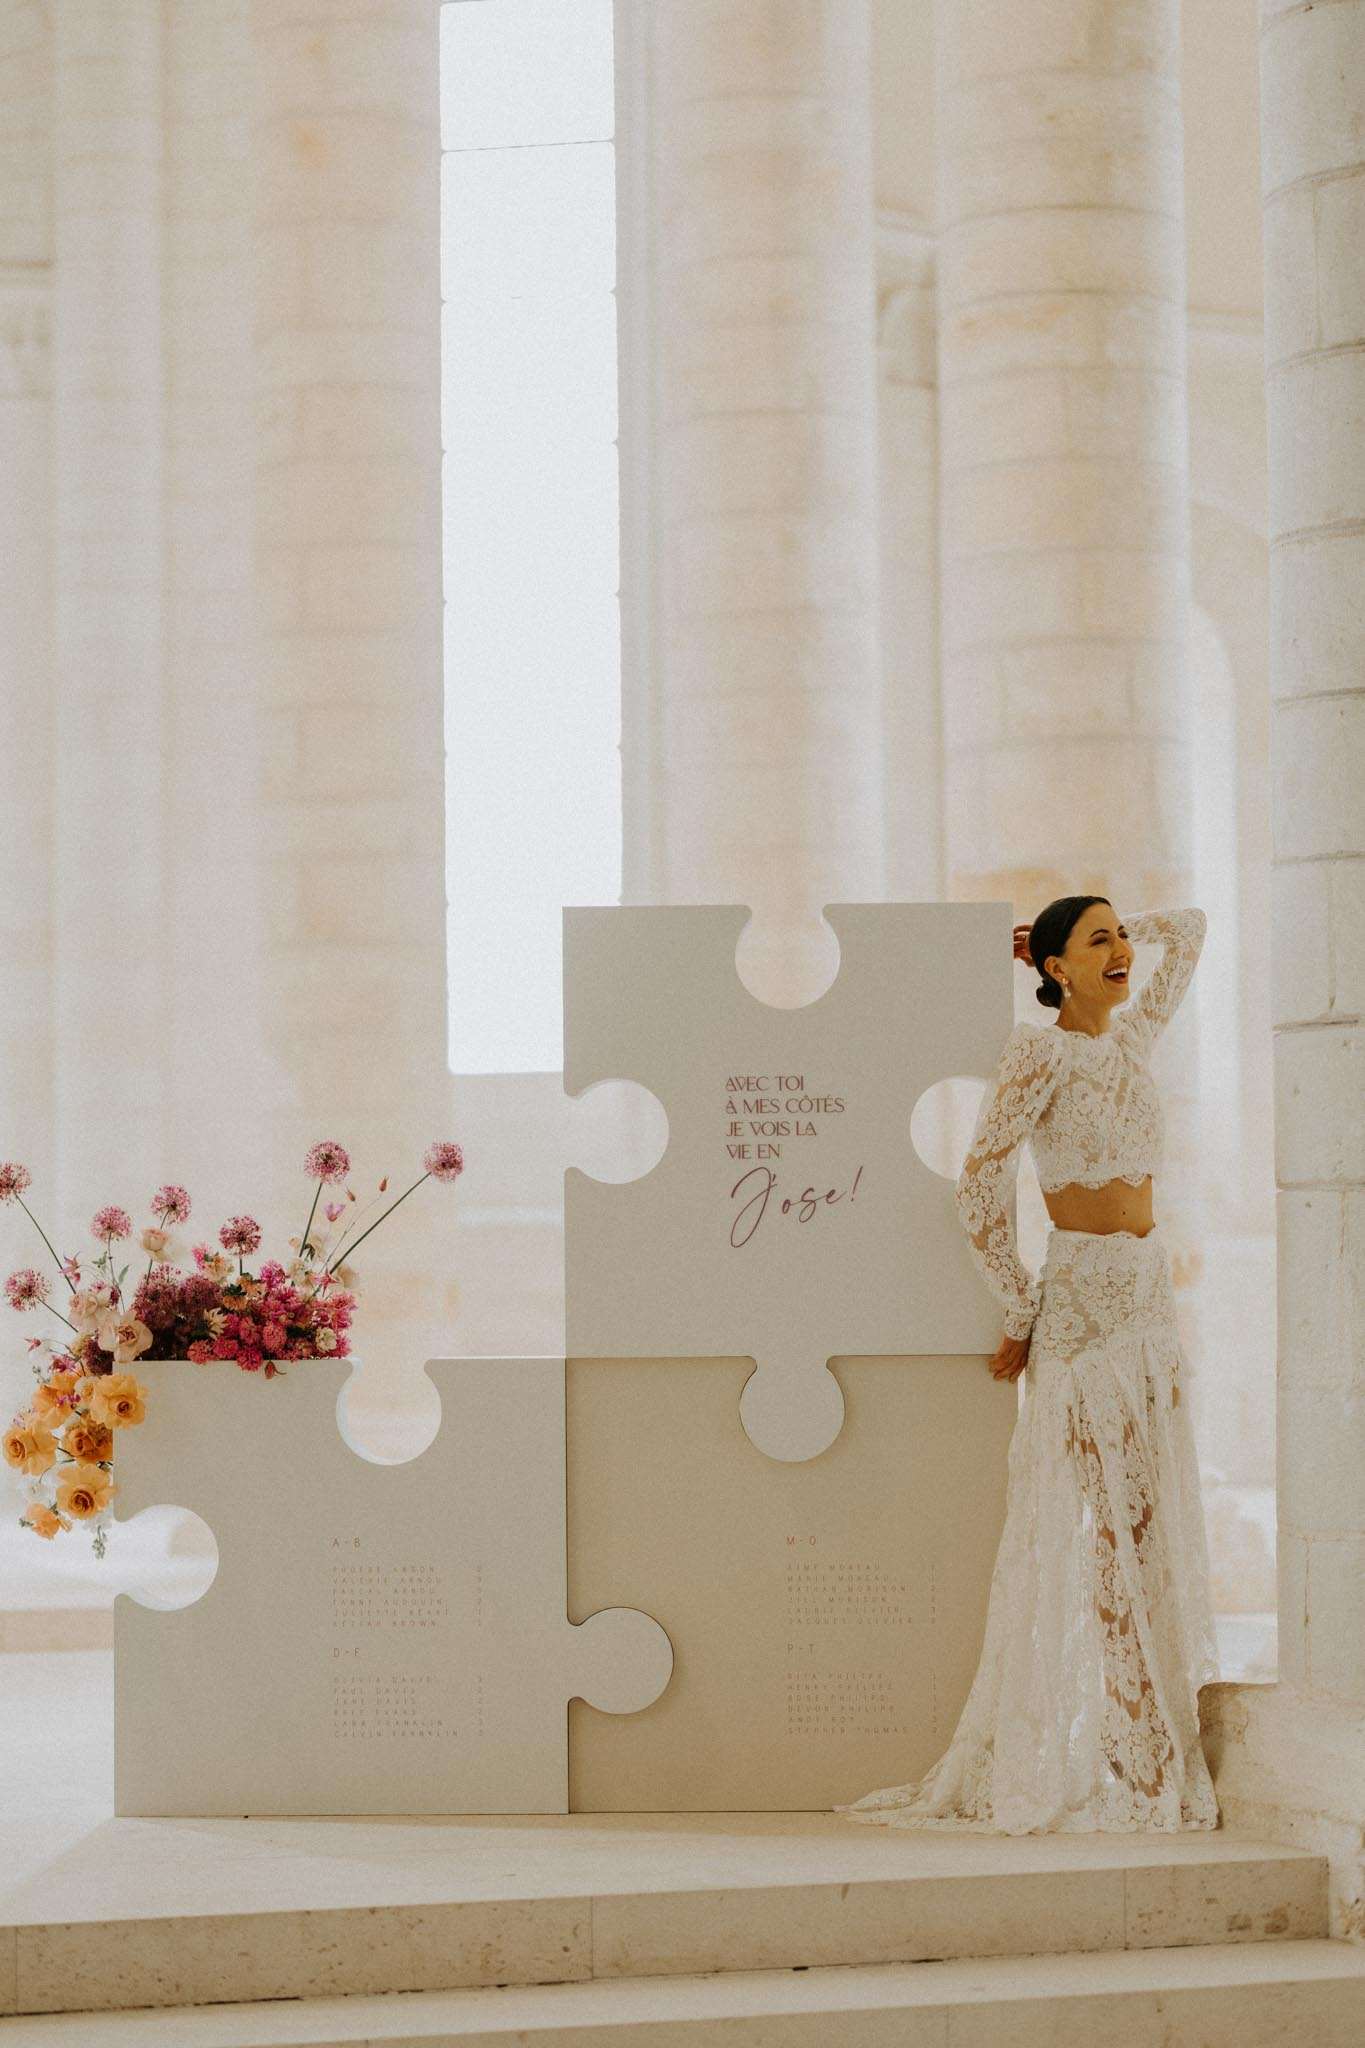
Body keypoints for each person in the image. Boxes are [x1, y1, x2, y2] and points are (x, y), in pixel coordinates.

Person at [833, 899, 1221, 1833]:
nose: (1125, 950)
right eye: (1100, 940)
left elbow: (1193, 929)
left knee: (1146, 1513)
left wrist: (1109, 926)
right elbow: (980, 1180)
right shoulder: (1037, 1052)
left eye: (1123, 935)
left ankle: (1149, 1744)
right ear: (1053, 968)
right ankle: (1130, 1754)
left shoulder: (1131, 1043)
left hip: (1146, 1297)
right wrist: (1021, 1303)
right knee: (1100, 1523)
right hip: (1083, 1304)